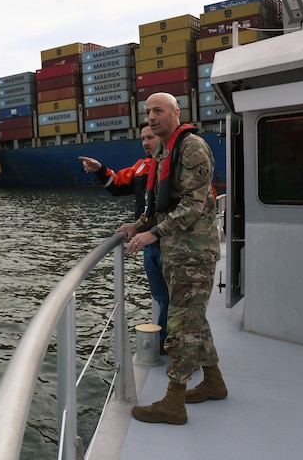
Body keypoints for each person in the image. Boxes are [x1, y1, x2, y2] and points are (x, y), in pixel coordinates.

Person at [120, 92, 225, 425]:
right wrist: (137, 225)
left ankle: (174, 402)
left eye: (158, 110)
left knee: (179, 324)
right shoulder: (165, 150)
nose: (151, 117)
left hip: (194, 252)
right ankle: (213, 383)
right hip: (178, 253)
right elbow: (161, 203)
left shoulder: (192, 147)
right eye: (148, 111)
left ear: (176, 113)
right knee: (194, 319)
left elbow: (193, 205)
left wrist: (154, 233)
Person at [78, 124, 169, 353]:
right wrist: (100, 169)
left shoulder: (177, 164)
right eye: (143, 138)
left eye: (151, 137)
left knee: (176, 298)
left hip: (172, 243)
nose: (145, 142)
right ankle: (165, 342)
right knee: (160, 297)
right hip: (149, 245)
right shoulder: (140, 167)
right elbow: (117, 184)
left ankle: (173, 345)